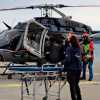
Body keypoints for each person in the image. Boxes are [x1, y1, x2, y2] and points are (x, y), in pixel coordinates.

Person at [63, 32, 82, 100]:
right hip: (79, 69)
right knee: (76, 85)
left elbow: (68, 60)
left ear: (70, 41)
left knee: (72, 86)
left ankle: (74, 98)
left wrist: (63, 63)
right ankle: (79, 98)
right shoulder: (79, 48)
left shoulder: (69, 49)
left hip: (71, 69)